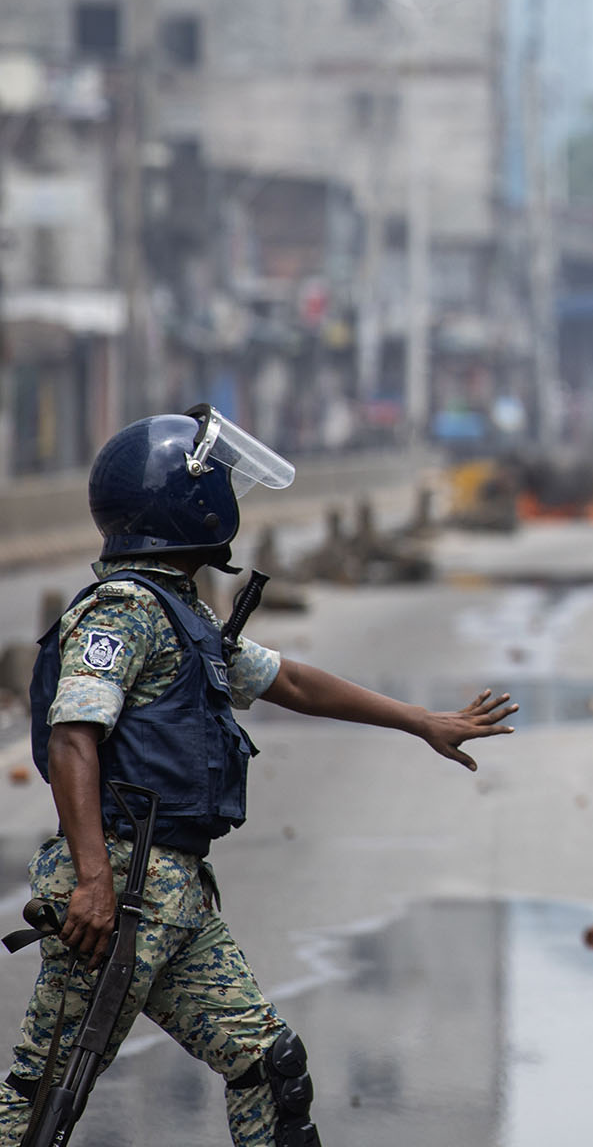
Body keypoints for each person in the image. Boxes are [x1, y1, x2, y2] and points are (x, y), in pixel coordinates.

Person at [0, 406, 518, 1146]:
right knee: (40, 1101)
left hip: (171, 899)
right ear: (185, 503)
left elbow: (294, 683)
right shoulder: (123, 610)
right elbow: (73, 740)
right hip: (119, 891)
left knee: (269, 1065)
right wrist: (91, 882)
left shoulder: (183, 615)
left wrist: (421, 721)